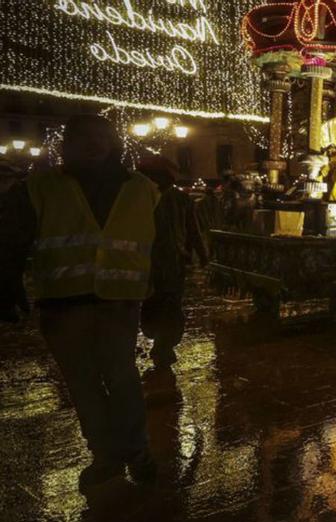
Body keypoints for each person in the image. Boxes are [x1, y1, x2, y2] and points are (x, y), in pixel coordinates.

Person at [0, 115, 163, 490]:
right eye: (83, 137)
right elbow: (9, 241)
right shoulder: (38, 188)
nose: (93, 144)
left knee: (121, 378)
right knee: (83, 384)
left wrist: (163, 294)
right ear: (68, 144)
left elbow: (162, 246)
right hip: (63, 305)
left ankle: (136, 452)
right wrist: (6, 285)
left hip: (118, 304)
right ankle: (105, 455)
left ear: (113, 143)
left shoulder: (142, 188)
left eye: (100, 137)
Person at [136, 156, 209, 367]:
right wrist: (201, 253)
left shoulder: (177, 199)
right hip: (154, 260)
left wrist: (200, 253)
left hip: (168, 261)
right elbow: (193, 229)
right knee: (160, 302)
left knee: (166, 303)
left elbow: (192, 228)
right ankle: (161, 341)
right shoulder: (143, 197)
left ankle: (163, 343)